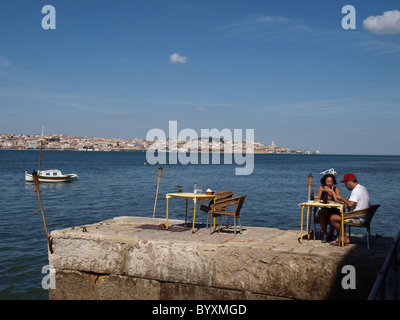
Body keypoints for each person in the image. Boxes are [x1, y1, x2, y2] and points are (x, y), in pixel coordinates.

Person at [330, 173, 371, 245]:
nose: (345, 186)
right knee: (340, 216)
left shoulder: (356, 190)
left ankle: (344, 237)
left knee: (333, 218)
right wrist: (348, 200)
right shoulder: (362, 188)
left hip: (358, 218)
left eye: (345, 183)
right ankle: (340, 237)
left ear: (350, 181)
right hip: (366, 216)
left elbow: (350, 205)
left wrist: (342, 198)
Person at [316, 174, 341, 242]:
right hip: (324, 208)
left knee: (332, 216)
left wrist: (332, 191)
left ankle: (330, 234)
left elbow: (337, 200)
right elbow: (317, 199)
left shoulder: (336, 189)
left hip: (334, 209)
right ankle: (324, 234)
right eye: (328, 181)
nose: (329, 183)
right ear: (324, 181)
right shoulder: (321, 187)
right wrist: (321, 191)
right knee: (323, 214)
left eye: (331, 181)